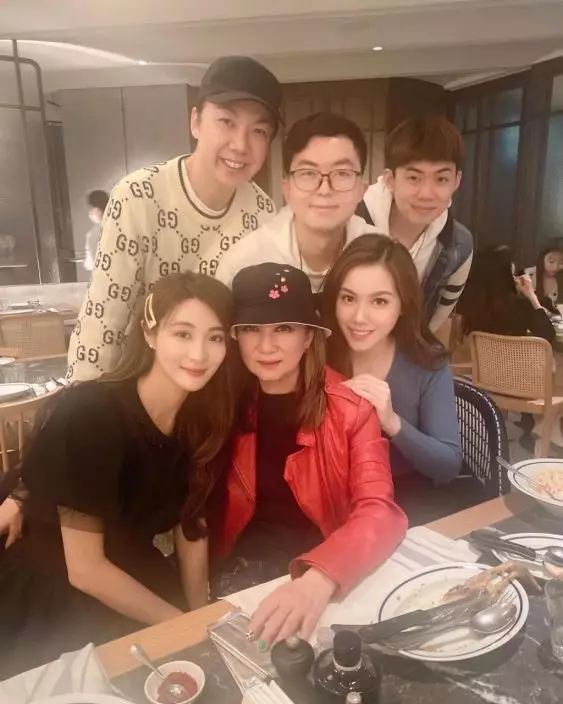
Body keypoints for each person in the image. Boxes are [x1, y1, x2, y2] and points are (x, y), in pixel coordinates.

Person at [0, 272, 236, 677]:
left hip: (130, 570)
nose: (199, 353)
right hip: (57, 590)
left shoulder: (202, 419)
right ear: (150, 334)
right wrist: (182, 625)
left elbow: (191, 525)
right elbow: (85, 569)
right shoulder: (94, 414)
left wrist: (200, 616)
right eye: (182, 334)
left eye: (215, 337)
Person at [204, 262, 407, 646]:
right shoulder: (220, 404)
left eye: (283, 328)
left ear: (309, 336)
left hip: (324, 564)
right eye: (251, 329)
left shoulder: (351, 409)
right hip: (239, 571)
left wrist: (319, 579)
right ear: (235, 337)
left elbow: (380, 510)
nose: (266, 346)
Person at [68, 56, 281, 383]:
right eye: (226, 121)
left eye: (259, 131)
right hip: (135, 389)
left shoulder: (262, 212)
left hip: (215, 393)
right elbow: (104, 320)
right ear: (196, 122)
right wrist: (82, 404)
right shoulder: (138, 196)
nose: (240, 145)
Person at [321, 234, 463, 520]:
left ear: (403, 306)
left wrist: (392, 422)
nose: (359, 317)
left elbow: (448, 466)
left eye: (379, 301)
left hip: (405, 505)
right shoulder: (317, 354)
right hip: (328, 501)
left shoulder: (427, 364)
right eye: (348, 298)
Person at [216, 112, 380, 292]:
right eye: (308, 173)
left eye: (342, 173)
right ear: (287, 189)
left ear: (362, 190)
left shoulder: (382, 255)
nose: (324, 190)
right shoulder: (245, 263)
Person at [356, 116, 473, 331]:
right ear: (390, 180)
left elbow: (434, 320)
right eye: (413, 178)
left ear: (456, 181)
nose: (426, 194)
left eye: (441, 179)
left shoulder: (459, 244)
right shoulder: (352, 223)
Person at [457, 245, 555, 343]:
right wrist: (531, 295)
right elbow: (548, 335)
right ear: (506, 269)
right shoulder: (519, 304)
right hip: (515, 353)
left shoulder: (469, 301)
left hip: (480, 353)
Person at [527, 238, 563, 312]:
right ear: (542, 257)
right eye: (551, 261)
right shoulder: (528, 276)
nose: (555, 267)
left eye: (561, 263)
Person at [83, 189, 110, 272]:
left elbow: (92, 263)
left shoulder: (93, 234)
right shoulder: (123, 225)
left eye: (90, 209)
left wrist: (86, 263)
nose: (89, 213)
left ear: (96, 209)